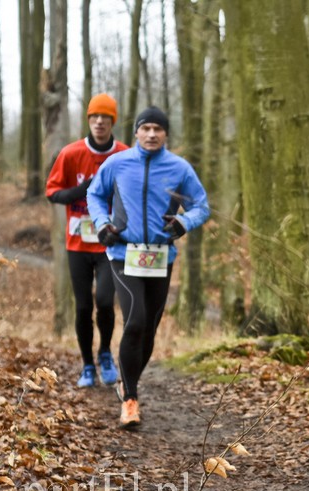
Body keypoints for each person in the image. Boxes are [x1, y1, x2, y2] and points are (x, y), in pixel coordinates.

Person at [87, 106, 210, 428]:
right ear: (137, 132)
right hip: (123, 253)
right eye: (146, 128)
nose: (152, 134)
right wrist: (102, 223)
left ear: (166, 134)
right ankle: (130, 398)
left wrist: (185, 221)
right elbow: (95, 194)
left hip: (160, 256)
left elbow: (201, 206)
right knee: (136, 321)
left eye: (158, 129)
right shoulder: (118, 163)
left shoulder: (178, 168)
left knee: (149, 330)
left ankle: (127, 385)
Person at [46, 93, 129, 388]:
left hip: (111, 242)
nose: (99, 122)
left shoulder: (124, 154)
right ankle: (86, 365)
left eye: (105, 118)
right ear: (89, 121)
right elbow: (52, 192)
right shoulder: (70, 154)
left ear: (112, 122)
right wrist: (82, 190)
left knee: (105, 302)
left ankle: (105, 353)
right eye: (94, 117)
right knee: (83, 307)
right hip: (77, 243)